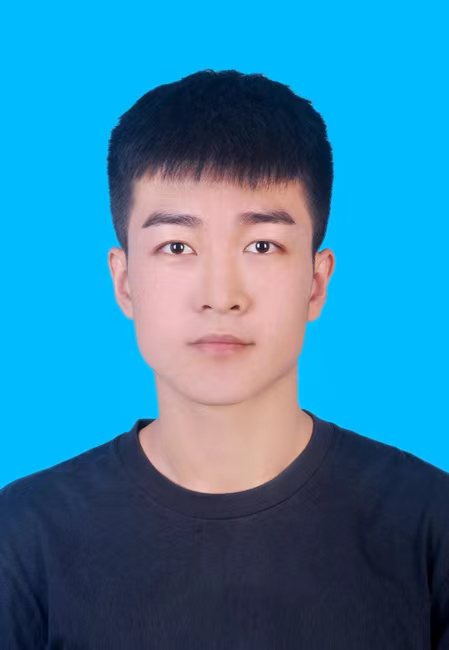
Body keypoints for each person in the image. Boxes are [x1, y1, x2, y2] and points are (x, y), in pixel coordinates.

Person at [1, 68, 448, 648]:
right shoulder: (23, 539)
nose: (220, 295)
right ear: (124, 281)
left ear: (316, 282)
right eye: (177, 246)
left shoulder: (428, 525)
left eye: (262, 245)